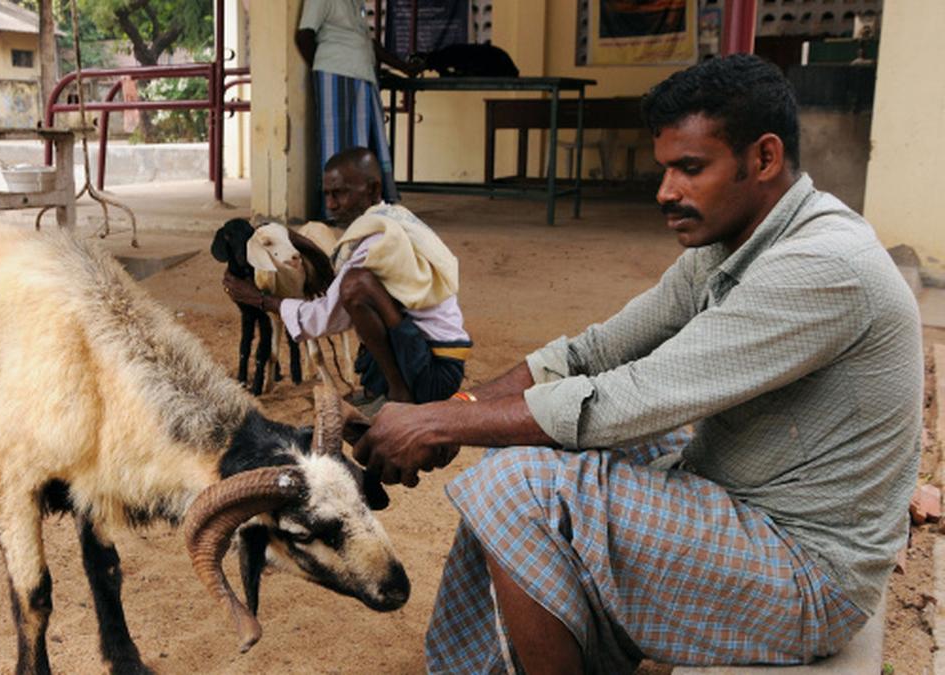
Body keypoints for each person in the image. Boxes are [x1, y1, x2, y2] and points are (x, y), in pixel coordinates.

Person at [352, 54, 923, 673]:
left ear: (764, 158)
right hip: (742, 498)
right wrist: (457, 409)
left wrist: (437, 425)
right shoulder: (738, 239)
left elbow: (630, 398)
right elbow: (592, 353)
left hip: (810, 575)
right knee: (523, 447)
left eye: (690, 168)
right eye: (665, 168)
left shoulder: (820, 265)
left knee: (517, 488)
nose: (665, 191)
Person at [224, 147, 472, 410]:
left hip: (434, 372)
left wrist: (258, 299)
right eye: (327, 195)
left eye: (340, 193)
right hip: (436, 355)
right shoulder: (392, 219)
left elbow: (327, 315)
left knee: (356, 285)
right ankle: (387, 387)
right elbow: (337, 285)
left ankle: (399, 393)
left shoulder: (376, 242)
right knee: (354, 283)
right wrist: (297, 241)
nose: (330, 204)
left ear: (374, 190)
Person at [295, 0, 420, 218]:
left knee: (364, 145)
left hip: (362, 74)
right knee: (337, 144)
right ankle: (335, 210)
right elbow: (304, 35)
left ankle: (363, 206)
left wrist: (404, 67)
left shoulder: (355, 3)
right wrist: (327, 65)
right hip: (335, 73)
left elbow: (368, 43)